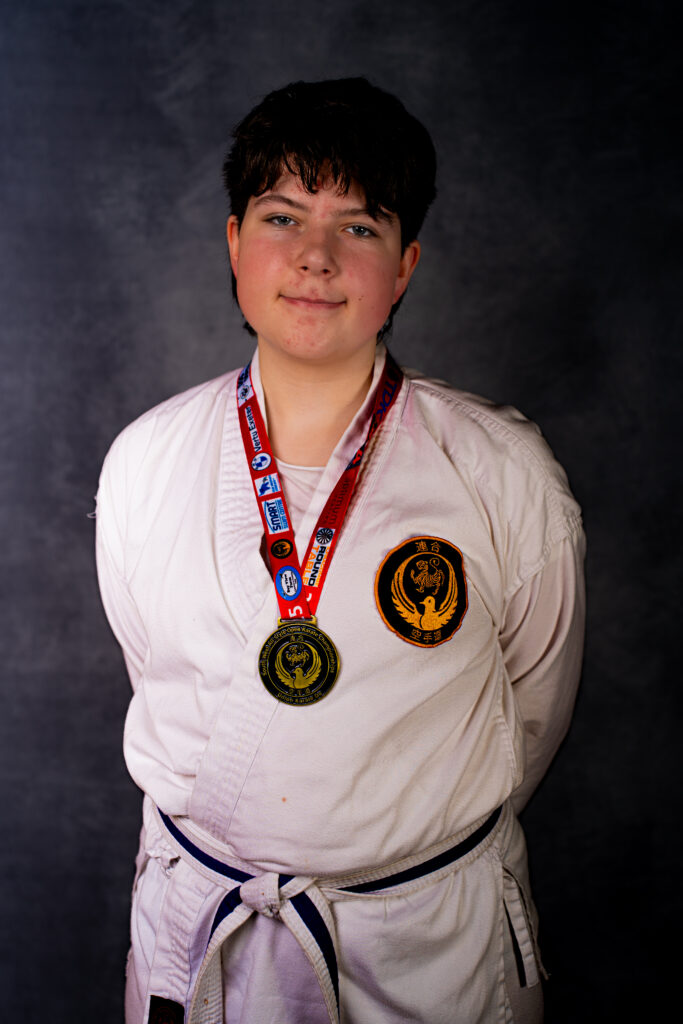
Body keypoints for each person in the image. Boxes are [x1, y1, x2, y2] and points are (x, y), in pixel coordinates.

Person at [96, 77, 585, 1024]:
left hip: (424, 943)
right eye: (281, 217)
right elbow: (155, 668)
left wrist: (386, 846)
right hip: (208, 929)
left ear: (403, 267)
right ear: (234, 242)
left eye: (358, 227)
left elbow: (527, 715)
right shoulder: (147, 458)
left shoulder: (497, 469)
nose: (314, 257)